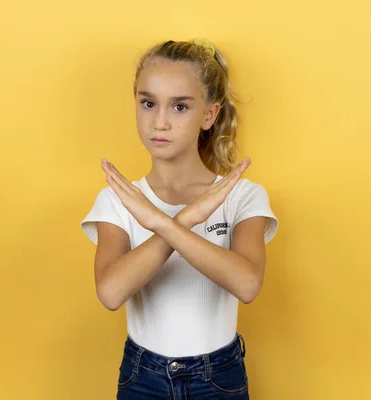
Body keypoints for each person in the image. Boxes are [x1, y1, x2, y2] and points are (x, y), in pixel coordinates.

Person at [80, 38, 278, 399]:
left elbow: (247, 284)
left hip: (219, 378)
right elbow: (110, 292)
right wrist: (183, 220)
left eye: (180, 107)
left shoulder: (243, 196)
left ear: (209, 114)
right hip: (143, 378)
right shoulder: (118, 199)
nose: (160, 121)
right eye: (148, 103)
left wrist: (166, 222)